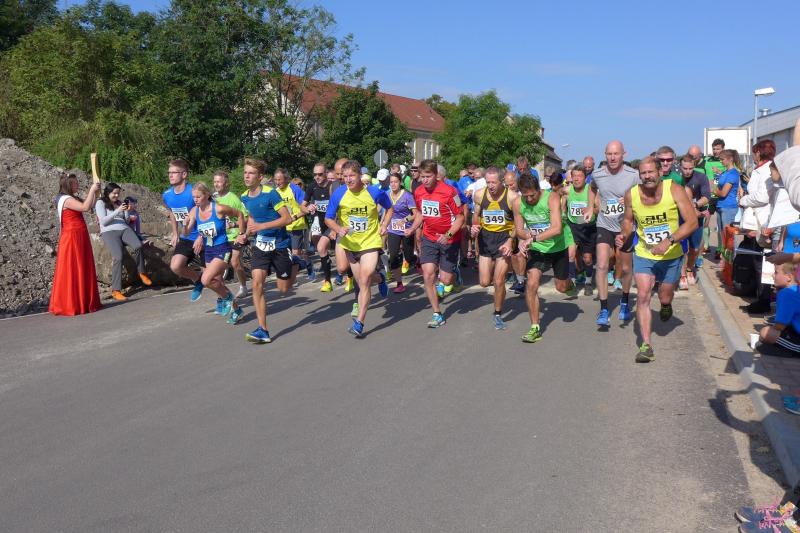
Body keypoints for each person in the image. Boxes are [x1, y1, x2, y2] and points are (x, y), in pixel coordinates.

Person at [618, 156, 697, 362]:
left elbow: (692, 222)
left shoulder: (674, 190)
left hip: (671, 255)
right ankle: (646, 345)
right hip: (644, 253)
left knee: (664, 295)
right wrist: (623, 234)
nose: (647, 176)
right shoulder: (632, 194)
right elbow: (628, 221)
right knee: (643, 295)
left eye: (650, 172)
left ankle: (665, 304)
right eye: (643, 173)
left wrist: (668, 241)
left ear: (660, 172)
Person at [325, 159, 392, 337]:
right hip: (350, 244)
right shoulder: (339, 194)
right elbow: (328, 218)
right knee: (362, 280)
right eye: (345, 176)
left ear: (360, 176)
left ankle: (359, 322)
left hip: (370, 241)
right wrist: (338, 229)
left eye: (352, 176)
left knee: (364, 278)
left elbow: (389, 208)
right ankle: (381, 278)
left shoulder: (374, 192)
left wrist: (384, 224)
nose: (348, 179)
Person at [513, 172, 576, 343]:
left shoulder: (552, 198)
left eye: (532, 195)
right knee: (531, 284)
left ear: (538, 189)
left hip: (558, 247)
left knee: (561, 287)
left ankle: (569, 284)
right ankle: (535, 328)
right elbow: (519, 230)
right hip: (538, 249)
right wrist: (525, 237)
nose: (529, 199)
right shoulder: (517, 203)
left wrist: (532, 238)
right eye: (525, 196)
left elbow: (556, 228)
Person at [239, 159, 294, 344]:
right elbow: (252, 218)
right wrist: (245, 234)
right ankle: (263, 329)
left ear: (260, 177)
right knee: (256, 284)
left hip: (280, 244)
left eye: (251, 173)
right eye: (245, 172)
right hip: (261, 245)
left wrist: (263, 226)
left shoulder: (271, 194)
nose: (247, 176)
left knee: (283, 288)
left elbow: (287, 219)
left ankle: (298, 262)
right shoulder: (244, 197)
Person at [587, 140, 639, 327]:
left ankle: (624, 301)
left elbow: (643, 193)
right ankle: (604, 308)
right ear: (605, 155)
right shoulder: (598, 174)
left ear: (624, 154)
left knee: (625, 268)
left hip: (626, 226)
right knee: (601, 265)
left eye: (616, 154)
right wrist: (590, 206)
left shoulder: (633, 175)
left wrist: (630, 201)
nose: (613, 157)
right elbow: (592, 188)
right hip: (604, 224)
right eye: (609, 154)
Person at [407, 159, 464, 328]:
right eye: (422, 177)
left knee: (445, 280)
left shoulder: (450, 192)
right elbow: (421, 214)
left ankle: (454, 275)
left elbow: (460, 217)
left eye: (428, 176)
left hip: (450, 239)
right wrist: (412, 228)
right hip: (429, 238)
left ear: (436, 175)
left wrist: (448, 234)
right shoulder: (419, 192)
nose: (425, 180)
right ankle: (437, 313)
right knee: (428, 274)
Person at [182, 182, 245, 324]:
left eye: (198, 197)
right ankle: (237, 310)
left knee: (205, 280)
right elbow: (186, 233)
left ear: (207, 195)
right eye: (193, 197)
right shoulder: (194, 211)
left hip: (223, 249)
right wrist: (185, 225)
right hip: (209, 250)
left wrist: (241, 234)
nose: (195, 200)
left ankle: (227, 298)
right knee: (217, 282)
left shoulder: (219, 208)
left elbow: (239, 214)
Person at [471, 166, 518, 330]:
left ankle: (497, 313)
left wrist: (510, 241)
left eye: (494, 182)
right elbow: (476, 214)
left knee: (498, 280)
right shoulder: (479, 195)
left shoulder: (512, 197)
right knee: (484, 282)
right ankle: (500, 290)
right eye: (488, 182)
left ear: (502, 181)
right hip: (485, 239)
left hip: (504, 238)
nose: (490, 186)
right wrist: (475, 226)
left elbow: (519, 224)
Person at [49, 173, 103, 316]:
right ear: (68, 184)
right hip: (72, 236)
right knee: (74, 266)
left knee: (81, 265)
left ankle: (83, 301)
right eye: (74, 183)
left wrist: (95, 194)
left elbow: (89, 205)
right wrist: (91, 190)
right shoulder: (65, 199)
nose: (77, 184)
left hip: (79, 234)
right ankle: (73, 303)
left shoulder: (70, 197)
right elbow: (85, 207)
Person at [96, 182, 151, 301]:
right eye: (114, 193)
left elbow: (126, 221)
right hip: (109, 231)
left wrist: (126, 211)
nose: (116, 196)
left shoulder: (119, 203)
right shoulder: (100, 202)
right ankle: (116, 291)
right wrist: (118, 211)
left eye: (118, 193)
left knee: (138, 246)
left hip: (124, 228)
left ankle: (142, 273)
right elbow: (103, 221)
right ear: (108, 192)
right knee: (118, 256)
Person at [162, 158, 205, 301]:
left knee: (212, 277)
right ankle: (197, 279)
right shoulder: (167, 195)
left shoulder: (194, 192)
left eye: (174, 172)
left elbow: (207, 213)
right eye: (169, 172)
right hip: (186, 236)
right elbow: (172, 212)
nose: (170, 175)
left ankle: (224, 299)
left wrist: (201, 236)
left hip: (204, 237)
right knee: (176, 266)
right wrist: (175, 233)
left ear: (184, 174)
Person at [273, 168, 314, 282]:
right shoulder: (275, 192)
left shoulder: (295, 189)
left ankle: (296, 275)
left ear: (286, 179)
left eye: (280, 180)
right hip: (283, 227)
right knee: (287, 254)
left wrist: (294, 217)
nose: (277, 182)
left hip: (297, 225)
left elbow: (305, 208)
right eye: (276, 180)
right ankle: (304, 266)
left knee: (296, 253)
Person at [212, 170, 248, 299]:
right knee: (219, 266)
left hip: (234, 235)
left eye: (219, 182)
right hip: (219, 237)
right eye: (215, 181)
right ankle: (223, 294)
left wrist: (234, 226)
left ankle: (243, 287)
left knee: (235, 262)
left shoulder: (233, 198)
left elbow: (245, 218)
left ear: (226, 183)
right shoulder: (213, 198)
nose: (216, 184)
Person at [303, 162, 337, 292]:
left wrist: (334, 228)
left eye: (320, 174)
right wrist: (308, 207)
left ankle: (348, 275)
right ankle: (328, 282)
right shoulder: (312, 187)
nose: (317, 177)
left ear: (326, 173)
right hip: (321, 223)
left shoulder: (333, 186)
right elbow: (302, 206)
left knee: (343, 261)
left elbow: (339, 208)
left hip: (335, 223)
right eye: (315, 174)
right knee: (321, 248)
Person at [564, 166, 597, 295]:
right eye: (574, 176)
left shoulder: (591, 190)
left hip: (588, 227)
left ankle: (588, 282)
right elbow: (559, 200)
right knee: (570, 255)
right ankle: (571, 283)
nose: (577, 179)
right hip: (572, 226)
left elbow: (600, 208)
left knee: (587, 259)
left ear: (585, 178)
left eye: (580, 176)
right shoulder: (567, 190)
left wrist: (591, 210)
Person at [756, 262, 800, 357]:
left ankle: (789, 352)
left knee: (766, 333)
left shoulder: (786, 293)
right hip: (795, 331)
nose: (772, 275)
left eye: (776, 272)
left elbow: (780, 326)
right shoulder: (796, 289)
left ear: (789, 277)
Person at [680, 154, 711, 287]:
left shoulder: (701, 177)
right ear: (680, 166)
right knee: (682, 247)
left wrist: (695, 205)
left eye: (690, 168)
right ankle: (682, 275)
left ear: (694, 166)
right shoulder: (677, 178)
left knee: (695, 247)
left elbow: (706, 196)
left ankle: (689, 269)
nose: (687, 171)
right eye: (685, 168)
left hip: (696, 215)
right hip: (680, 217)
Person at [386, 172, 417, 293]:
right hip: (392, 230)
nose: (393, 184)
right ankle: (399, 284)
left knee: (408, 257)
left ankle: (416, 261)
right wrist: (382, 225)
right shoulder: (387, 195)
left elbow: (415, 214)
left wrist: (404, 220)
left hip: (406, 230)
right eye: (391, 182)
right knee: (393, 256)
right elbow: (385, 211)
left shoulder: (407, 196)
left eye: (396, 182)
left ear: (400, 183)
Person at [711, 149, 741, 260]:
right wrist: (718, 173)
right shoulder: (726, 172)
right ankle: (726, 260)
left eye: (722, 159)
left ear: (730, 159)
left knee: (728, 236)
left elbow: (723, 193)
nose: (721, 161)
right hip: (721, 206)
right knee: (722, 234)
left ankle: (731, 261)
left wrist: (714, 190)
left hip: (728, 207)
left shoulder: (733, 174)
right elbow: (721, 181)